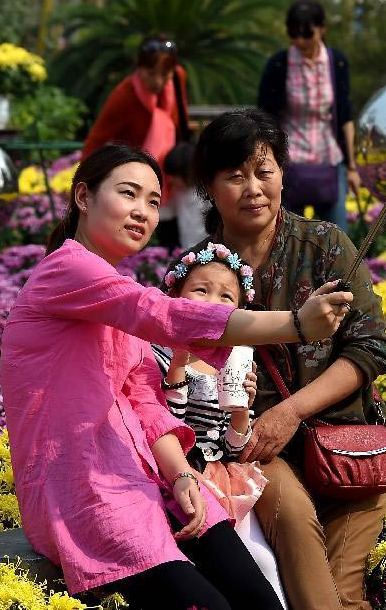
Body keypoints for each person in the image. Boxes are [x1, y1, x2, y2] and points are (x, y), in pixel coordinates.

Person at [0, 143, 353, 610]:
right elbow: (162, 314)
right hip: (88, 491)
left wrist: (182, 474)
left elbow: (145, 402)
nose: (142, 212)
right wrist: (295, 324)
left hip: (152, 480)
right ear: (83, 197)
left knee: (259, 600)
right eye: (128, 194)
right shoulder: (68, 269)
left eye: (152, 200)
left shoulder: (112, 294)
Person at [167, 108, 386, 610]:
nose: (253, 188)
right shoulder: (199, 274)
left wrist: (290, 411)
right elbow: (177, 366)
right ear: (208, 186)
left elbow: (370, 347)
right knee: (295, 531)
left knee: (343, 591)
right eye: (235, 176)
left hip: (346, 447)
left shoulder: (325, 245)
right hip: (256, 453)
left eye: (264, 171)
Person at [155, 245, 288, 608]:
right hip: (181, 476)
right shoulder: (159, 353)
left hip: (225, 476)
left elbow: (232, 447)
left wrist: (243, 408)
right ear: (175, 295)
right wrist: (178, 365)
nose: (212, 302)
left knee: (262, 563)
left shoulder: (234, 357)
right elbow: (165, 424)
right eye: (201, 290)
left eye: (226, 296)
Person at [257, 0, 359, 232]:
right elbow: (264, 116)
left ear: (322, 29)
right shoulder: (279, 64)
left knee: (335, 238)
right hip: (291, 163)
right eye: (294, 35)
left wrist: (352, 167)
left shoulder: (337, 62)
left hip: (329, 159)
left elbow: (345, 115)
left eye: (307, 34)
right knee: (289, 237)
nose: (301, 41)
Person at [82, 35, 191, 248]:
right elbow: (96, 139)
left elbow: (181, 119)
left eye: (165, 74)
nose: (158, 81)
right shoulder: (125, 95)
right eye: (151, 73)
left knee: (176, 234)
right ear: (139, 68)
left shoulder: (178, 78)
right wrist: (85, 186)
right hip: (135, 173)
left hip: (171, 175)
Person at [164, 141, 208, 248]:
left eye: (175, 176)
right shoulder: (177, 190)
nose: (171, 180)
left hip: (208, 246)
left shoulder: (207, 191)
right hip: (187, 246)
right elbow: (169, 211)